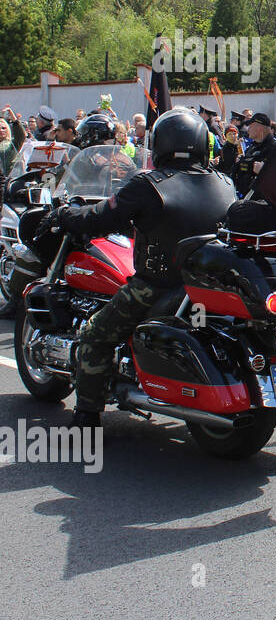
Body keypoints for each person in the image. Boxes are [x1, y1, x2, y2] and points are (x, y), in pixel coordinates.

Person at [35, 108, 235, 428]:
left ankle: (87, 414)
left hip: (157, 285)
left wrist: (66, 213)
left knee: (95, 335)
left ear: (162, 144)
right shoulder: (225, 182)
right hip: (206, 284)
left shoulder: (150, 184)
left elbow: (101, 217)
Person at [226, 112, 276, 198]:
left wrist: (264, 172)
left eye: (251, 126)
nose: (248, 129)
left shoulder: (274, 148)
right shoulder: (252, 147)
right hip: (246, 197)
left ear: (259, 128)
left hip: (262, 202)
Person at [0, 106, 27, 177]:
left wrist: (13, 117)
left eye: (3, 128)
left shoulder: (13, 143)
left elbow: (21, 135)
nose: (1, 130)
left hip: (10, 179)